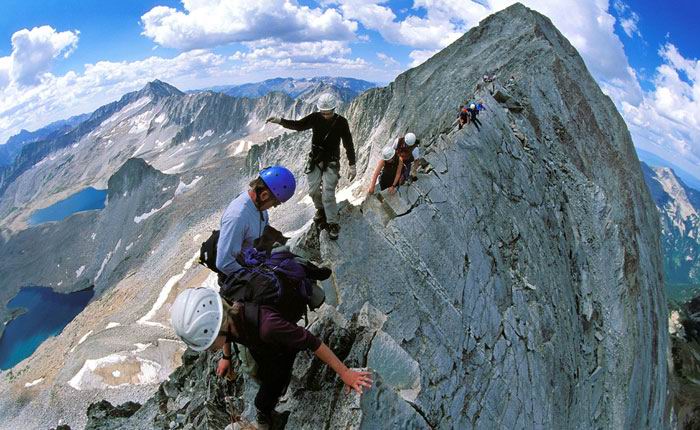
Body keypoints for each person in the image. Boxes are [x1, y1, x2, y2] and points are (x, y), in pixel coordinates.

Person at [171, 288, 373, 429]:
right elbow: (227, 335)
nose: (209, 350)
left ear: (219, 329)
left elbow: (312, 341)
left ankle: (270, 421)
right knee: (261, 374)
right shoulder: (229, 317)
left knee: (262, 400)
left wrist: (345, 373)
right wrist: (226, 357)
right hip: (264, 347)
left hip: (283, 349)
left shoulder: (269, 327)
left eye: (209, 344)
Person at [266, 93, 356, 241]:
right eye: (323, 112)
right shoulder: (315, 118)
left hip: (331, 161)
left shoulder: (341, 122)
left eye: (328, 113)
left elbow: (348, 143)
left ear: (334, 109)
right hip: (315, 160)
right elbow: (298, 125)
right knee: (313, 191)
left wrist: (352, 164)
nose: (325, 115)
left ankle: (332, 223)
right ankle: (321, 209)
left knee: (328, 193)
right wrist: (280, 121)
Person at [216, 166, 296, 281]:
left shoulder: (258, 206)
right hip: (239, 276)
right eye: (275, 203)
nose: (274, 207)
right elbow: (224, 263)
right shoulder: (237, 217)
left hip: (254, 263)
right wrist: (257, 279)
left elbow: (263, 233)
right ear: (264, 195)